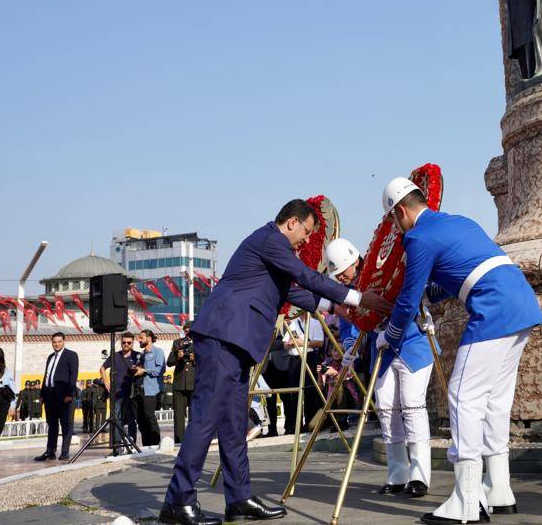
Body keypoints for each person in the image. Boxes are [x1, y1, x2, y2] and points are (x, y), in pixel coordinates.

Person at [160, 198, 390, 525]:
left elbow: (290, 292)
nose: (307, 240)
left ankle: (238, 499)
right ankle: (177, 501)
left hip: (236, 342)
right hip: (223, 336)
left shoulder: (272, 251)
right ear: (292, 222)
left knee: (234, 425)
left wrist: (334, 307)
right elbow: (304, 276)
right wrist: (356, 297)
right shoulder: (271, 240)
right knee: (206, 419)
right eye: (306, 232)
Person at [378, 177, 542, 523]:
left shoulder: (418, 237)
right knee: (494, 400)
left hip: (494, 308)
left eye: (394, 218)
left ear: (400, 211)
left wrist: (391, 335)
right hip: (520, 301)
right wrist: (431, 293)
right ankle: (498, 487)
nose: (396, 226)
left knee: (463, 395)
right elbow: (460, 273)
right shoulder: (458, 222)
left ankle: (466, 499)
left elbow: (408, 299)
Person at [327, 237, 436, 498]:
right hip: (382, 351)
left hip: (411, 344)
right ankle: (397, 473)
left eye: (342, 271)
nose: (340, 277)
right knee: (386, 409)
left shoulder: (384, 270)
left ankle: (420, 476)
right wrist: (351, 347)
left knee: (412, 406)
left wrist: (422, 312)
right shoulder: (349, 291)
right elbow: (349, 325)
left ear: (354, 260)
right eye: (336, 275)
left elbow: (409, 294)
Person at [35, 332, 79, 461]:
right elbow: (47, 376)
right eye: (54, 342)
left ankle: (65, 452)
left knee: (66, 425)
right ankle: (50, 451)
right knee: (52, 425)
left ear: (64, 341)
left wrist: (69, 393)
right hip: (50, 395)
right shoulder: (50, 357)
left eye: (59, 341)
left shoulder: (71, 355)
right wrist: (42, 394)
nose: (57, 344)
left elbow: (73, 375)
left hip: (64, 396)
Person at [281, 312, 324, 435]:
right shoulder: (293, 323)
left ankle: (310, 423)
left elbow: (320, 343)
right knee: (295, 392)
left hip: (309, 357)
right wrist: (289, 344)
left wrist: (302, 342)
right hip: (294, 359)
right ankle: (296, 425)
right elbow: (285, 344)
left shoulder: (315, 323)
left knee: (309, 391)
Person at [101, 332, 140, 455]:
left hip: (131, 393)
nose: (126, 344)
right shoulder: (115, 355)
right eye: (124, 342)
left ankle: (132, 443)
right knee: (117, 419)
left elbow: (142, 370)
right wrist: (106, 382)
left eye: (129, 342)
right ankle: (118, 445)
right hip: (116, 393)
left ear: (132, 343)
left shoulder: (137, 355)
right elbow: (102, 368)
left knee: (131, 419)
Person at [135, 329, 166, 448]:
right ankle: (146, 446)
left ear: (149, 338)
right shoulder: (141, 354)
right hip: (140, 390)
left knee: (149, 416)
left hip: (152, 390)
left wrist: (144, 371)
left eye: (141, 337)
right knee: (141, 419)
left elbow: (160, 370)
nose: (139, 340)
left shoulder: (158, 352)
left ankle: (155, 444)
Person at [168, 321, 197, 444]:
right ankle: (179, 441)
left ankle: (194, 440)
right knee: (179, 416)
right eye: (185, 331)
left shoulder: (201, 343)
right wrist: (177, 356)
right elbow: (169, 362)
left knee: (195, 415)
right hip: (179, 384)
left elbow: (208, 362)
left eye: (189, 331)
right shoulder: (177, 343)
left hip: (195, 383)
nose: (187, 333)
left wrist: (195, 359)